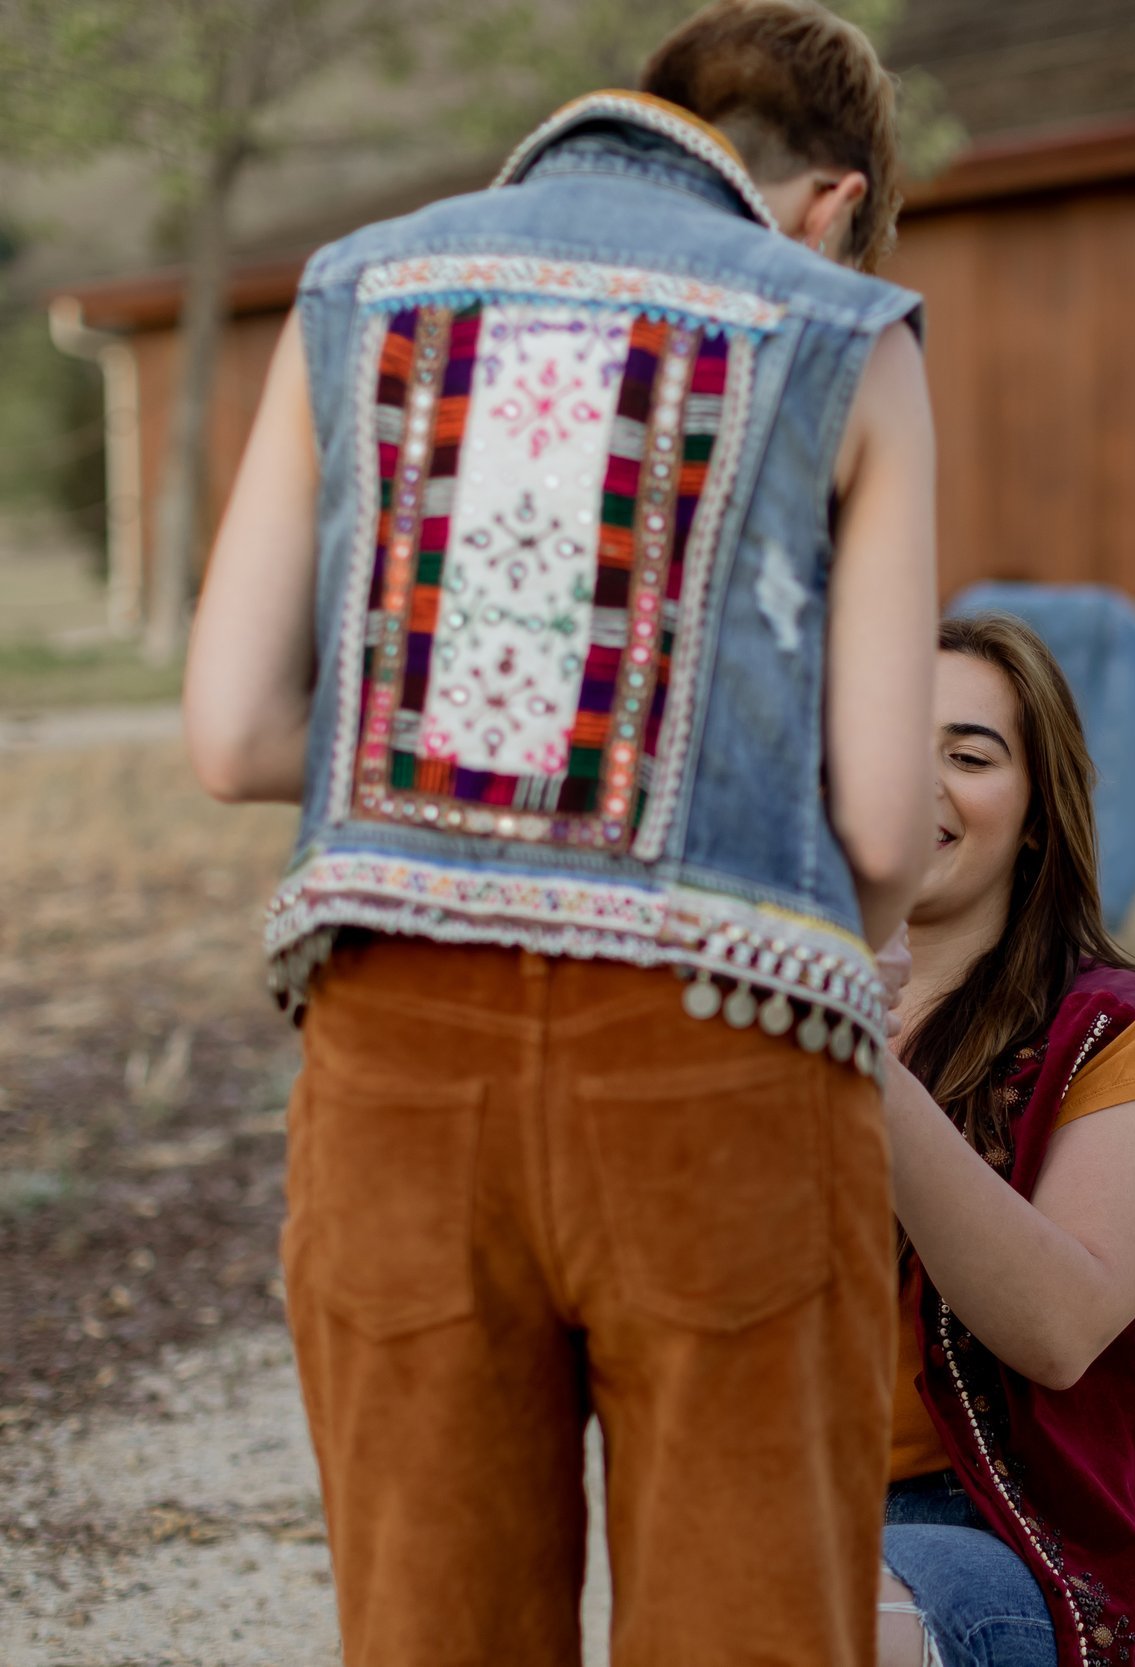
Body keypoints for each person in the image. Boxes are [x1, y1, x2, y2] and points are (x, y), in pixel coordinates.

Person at [181, 5, 938, 1662]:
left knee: (430, 1618)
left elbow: (234, 731)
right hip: (719, 1064)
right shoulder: (843, 326)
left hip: (399, 1062)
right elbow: (885, 818)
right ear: (831, 198)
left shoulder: (356, 289)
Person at [875, 614, 1135, 1667]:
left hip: (1016, 1533)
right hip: (778, 1498)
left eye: (968, 753)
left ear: (1037, 814)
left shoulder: (1120, 1034)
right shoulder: (742, 1009)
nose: (920, 779)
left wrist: (863, 1059)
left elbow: (1056, 1324)